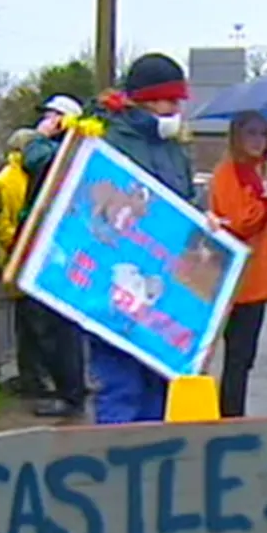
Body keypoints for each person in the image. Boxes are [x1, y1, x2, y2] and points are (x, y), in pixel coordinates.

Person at [88, 53, 197, 424]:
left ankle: (149, 472)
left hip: (160, 285)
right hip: (116, 282)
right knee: (121, 387)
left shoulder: (174, 151)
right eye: (169, 101)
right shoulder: (107, 140)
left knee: (159, 385)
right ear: (145, 100)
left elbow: (185, 204)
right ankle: (115, 472)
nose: (175, 109)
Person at [208, 111, 267, 417]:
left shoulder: (256, 172)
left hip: (255, 277)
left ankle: (232, 413)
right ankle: (230, 416)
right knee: (238, 355)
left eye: (262, 134)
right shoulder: (229, 172)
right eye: (251, 133)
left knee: (244, 356)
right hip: (240, 278)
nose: (258, 141)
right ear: (236, 137)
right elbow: (243, 222)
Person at [16, 95, 88, 417]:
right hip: (55, 243)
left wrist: (41, 136)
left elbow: (35, 160)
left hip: (57, 245)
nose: (44, 119)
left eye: (51, 115)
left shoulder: (61, 150)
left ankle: (68, 390)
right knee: (49, 321)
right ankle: (62, 385)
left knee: (55, 321)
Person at [0, 126, 50, 398]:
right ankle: (32, 380)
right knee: (28, 326)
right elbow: (4, 228)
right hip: (22, 258)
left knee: (27, 326)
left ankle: (33, 379)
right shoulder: (10, 181)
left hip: (19, 258)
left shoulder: (10, 179)